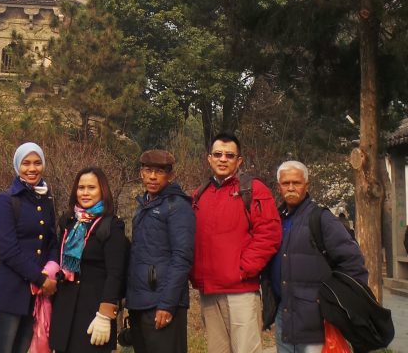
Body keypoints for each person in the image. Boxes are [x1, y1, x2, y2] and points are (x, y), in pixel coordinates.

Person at [190, 132, 282, 353]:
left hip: (241, 290)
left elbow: (269, 234)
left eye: (229, 155)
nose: (223, 159)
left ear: (239, 160)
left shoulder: (253, 189)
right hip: (209, 291)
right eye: (218, 154)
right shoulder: (199, 194)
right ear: (209, 158)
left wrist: (243, 269)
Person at [273, 161, 368, 352]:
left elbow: (353, 263)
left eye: (296, 183)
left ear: (307, 185)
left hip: (315, 320)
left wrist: (339, 307)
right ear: (278, 187)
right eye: (285, 183)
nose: (291, 188)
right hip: (284, 316)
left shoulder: (322, 219)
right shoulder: (277, 219)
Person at [0, 142, 59, 353]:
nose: (32, 168)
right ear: (18, 166)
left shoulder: (46, 199)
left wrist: (52, 269)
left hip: (33, 297)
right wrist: (41, 279)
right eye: (26, 163)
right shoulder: (5, 201)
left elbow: (51, 241)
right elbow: (9, 251)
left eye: (37, 163)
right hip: (8, 292)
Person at [50, 166, 128, 353]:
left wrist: (105, 314)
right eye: (81, 187)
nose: (85, 193)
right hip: (65, 310)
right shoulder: (68, 222)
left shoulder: (111, 226)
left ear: (102, 191)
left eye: (91, 188)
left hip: (93, 312)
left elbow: (116, 274)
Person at [126, 149, 195, 353]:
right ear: (141, 173)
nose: (153, 177)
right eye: (148, 171)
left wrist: (167, 304)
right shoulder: (143, 205)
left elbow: (182, 257)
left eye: (159, 171)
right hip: (140, 302)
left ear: (170, 175)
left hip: (162, 303)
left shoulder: (177, 206)